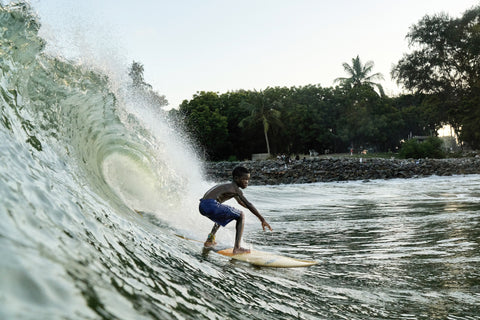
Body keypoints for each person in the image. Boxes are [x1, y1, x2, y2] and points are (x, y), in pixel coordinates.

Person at [199, 166, 272, 254]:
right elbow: (248, 204)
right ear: (236, 178)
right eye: (244, 179)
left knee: (221, 217)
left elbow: (241, 203)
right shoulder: (235, 189)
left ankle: (210, 240)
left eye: (248, 179)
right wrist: (262, 219)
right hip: (211, 205)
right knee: (241, 215)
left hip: (202, 206)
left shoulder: (229, 187)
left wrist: (250, 208)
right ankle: (237, 248)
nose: (247, 182)